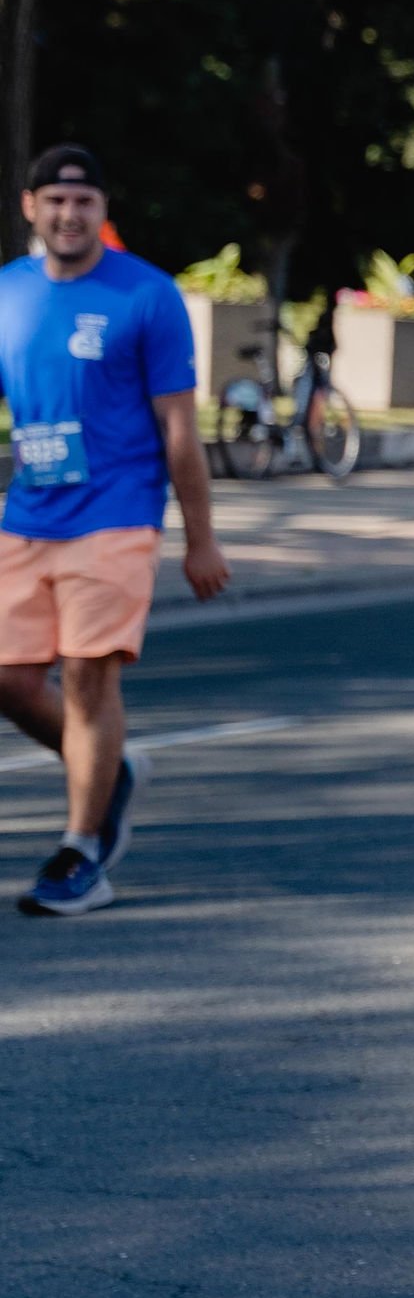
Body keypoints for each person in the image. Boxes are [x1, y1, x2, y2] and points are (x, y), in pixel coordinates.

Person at [0, 141, 229, 914]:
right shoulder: (8, 292)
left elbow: (179, 432)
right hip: (30, 513)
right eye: (54, 201)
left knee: (89, 671)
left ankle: (81, 851)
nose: (69, 214)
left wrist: (200, 537)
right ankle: (111, 769)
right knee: (8, 678)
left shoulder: (146, 296)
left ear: (103, 212)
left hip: (119, 512)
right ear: (31, 208)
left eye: (85, 202)